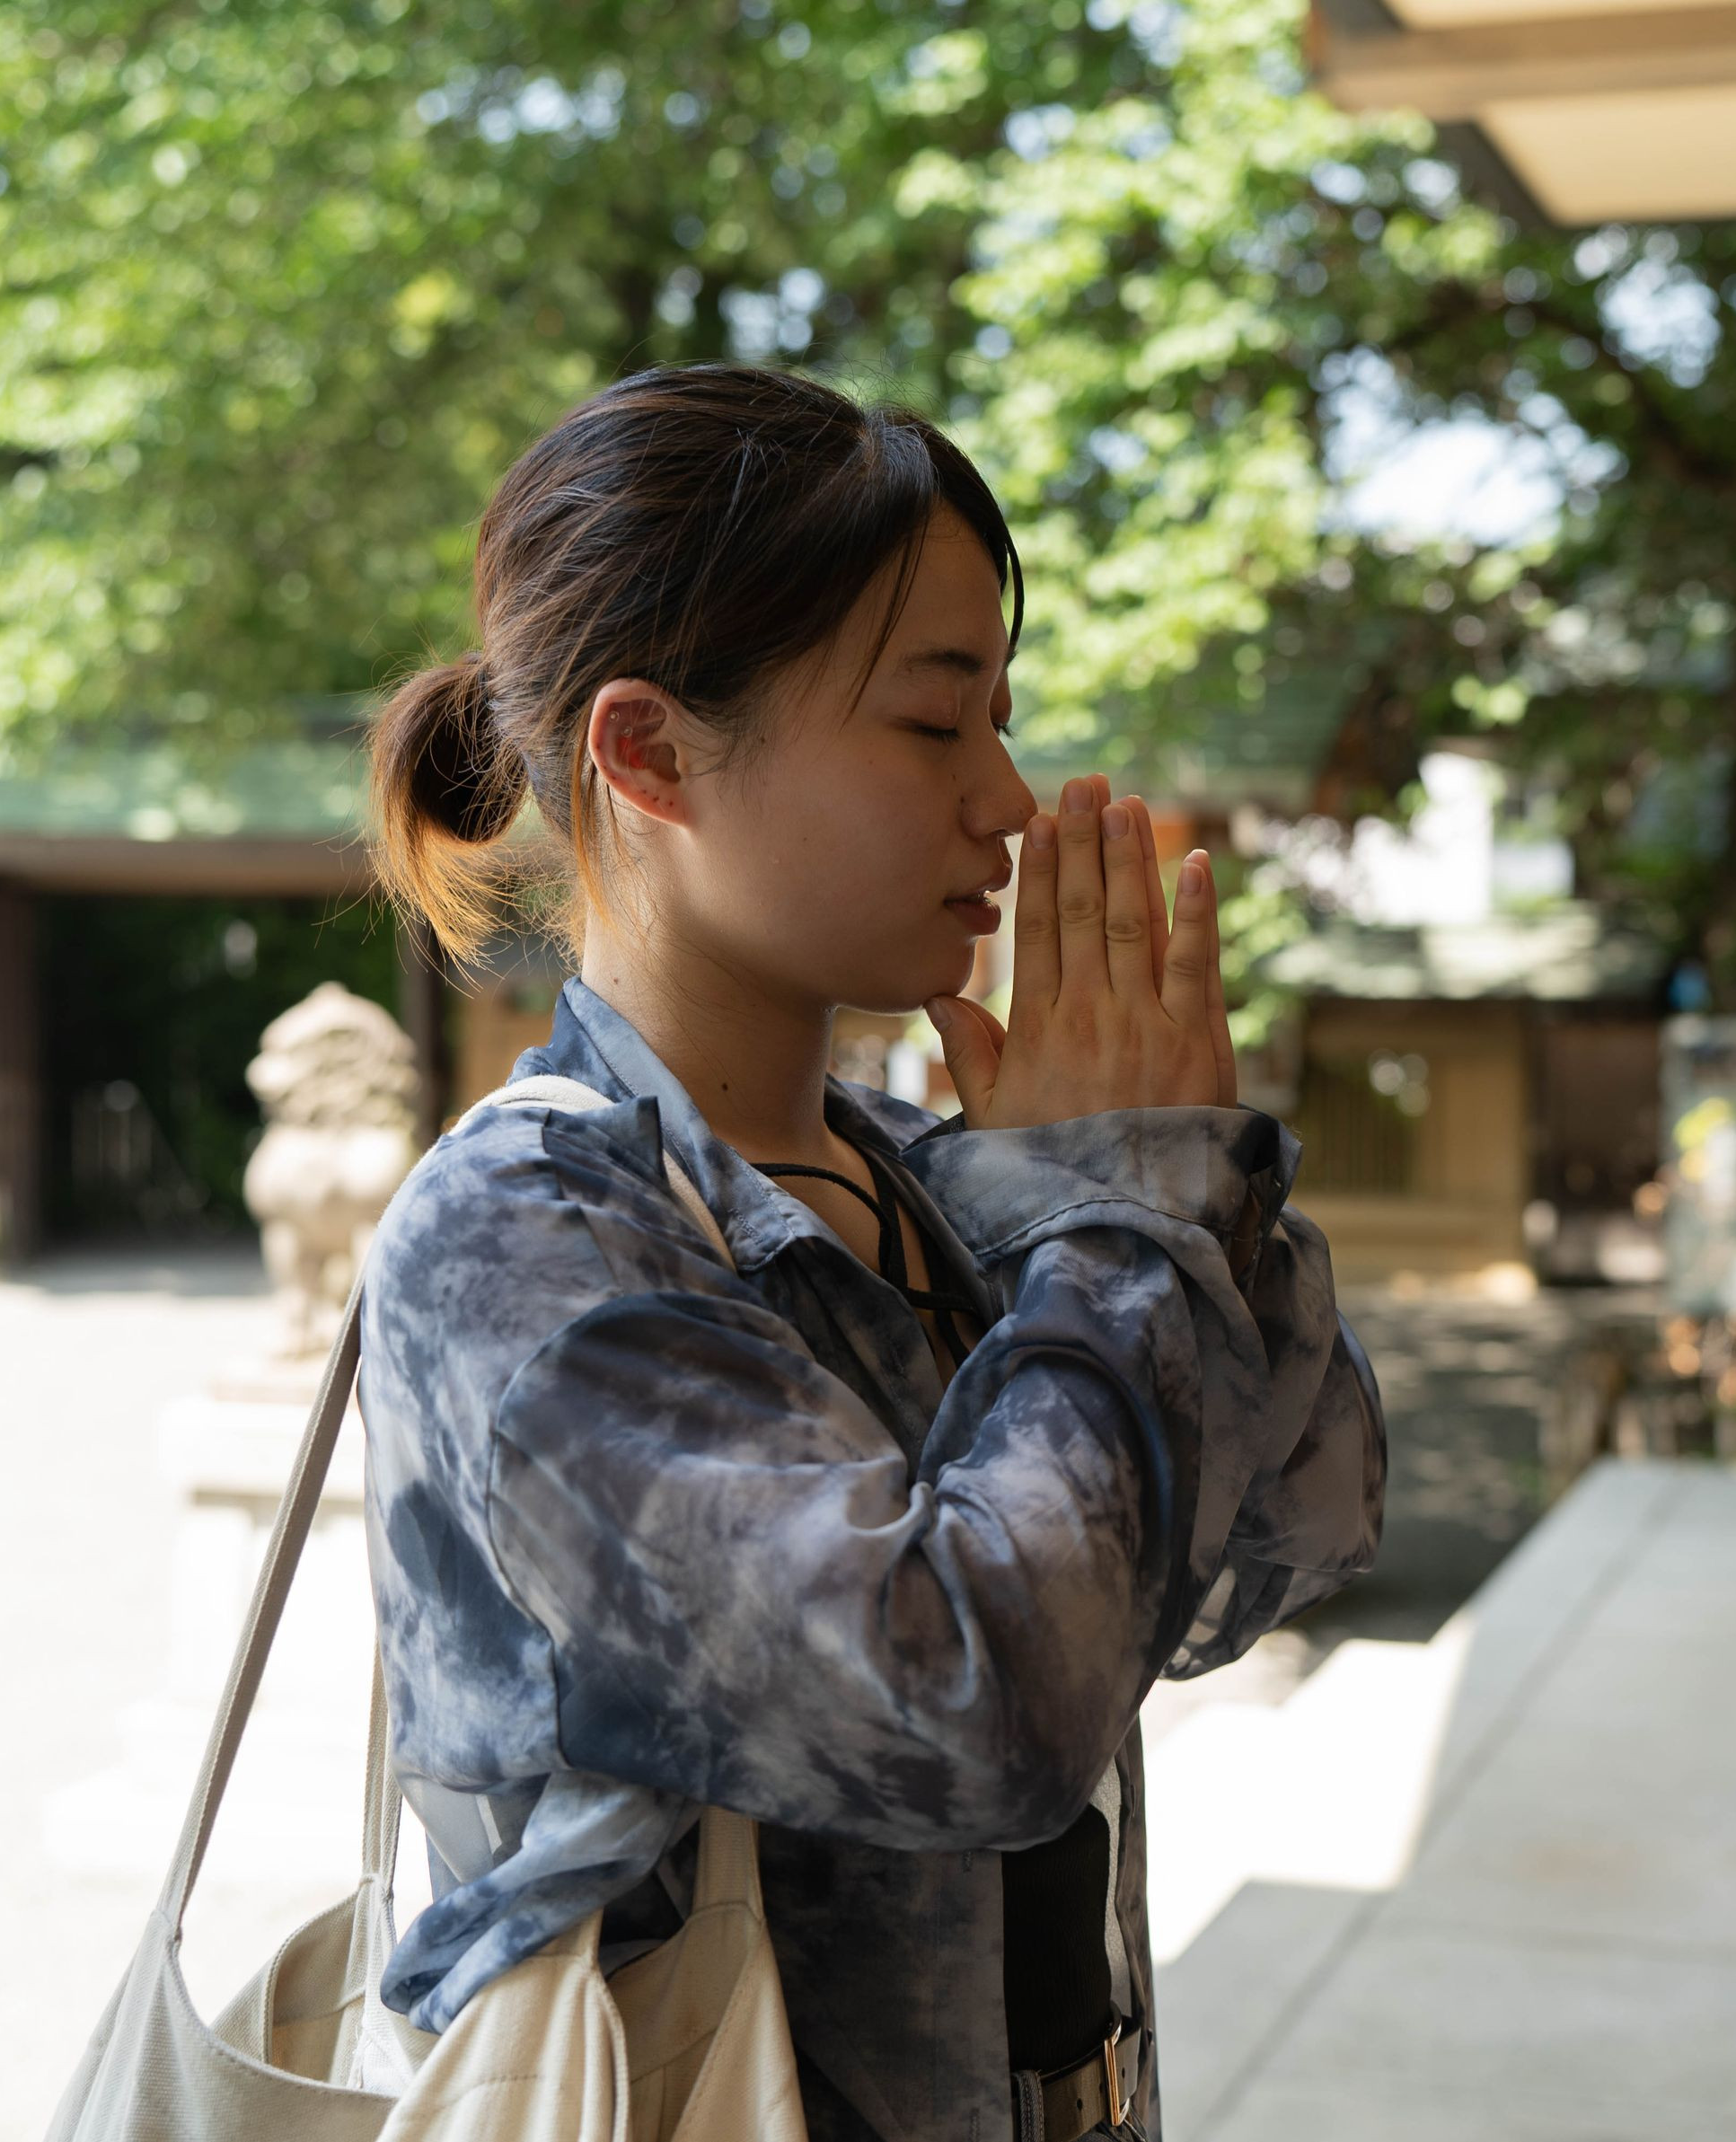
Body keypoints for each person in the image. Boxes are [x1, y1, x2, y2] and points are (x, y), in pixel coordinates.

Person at [355, 364, 1386, 2142]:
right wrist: (1118, 1222)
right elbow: (973, 1710)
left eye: (1001, 718)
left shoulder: (926, 1171)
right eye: (931, 724)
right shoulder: (522, 1233)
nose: (1008, 799)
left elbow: (1283, 1538)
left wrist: (1184, 1187)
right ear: (648, 750)